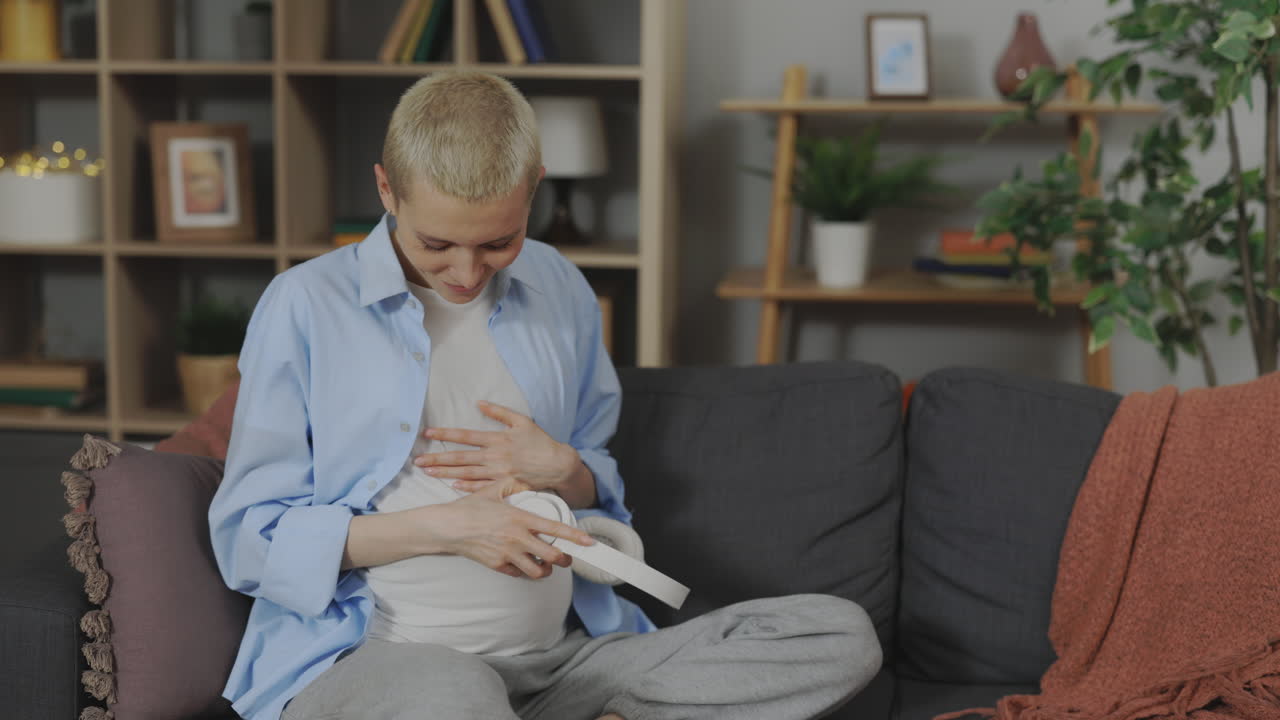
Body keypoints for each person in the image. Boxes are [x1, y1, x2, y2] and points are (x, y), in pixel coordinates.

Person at [208, 70, 881, 720]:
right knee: (455, 686)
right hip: (387, 664)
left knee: (836, 633)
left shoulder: (558, 286)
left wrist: (569, 471)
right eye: (437, 244)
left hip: (567, 664)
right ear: (387, 189)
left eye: (498, 242)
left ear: (533, 189)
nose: (467, 273)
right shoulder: (305, 306)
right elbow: (249, 541)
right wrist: (447, 528)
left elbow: (593, 484)